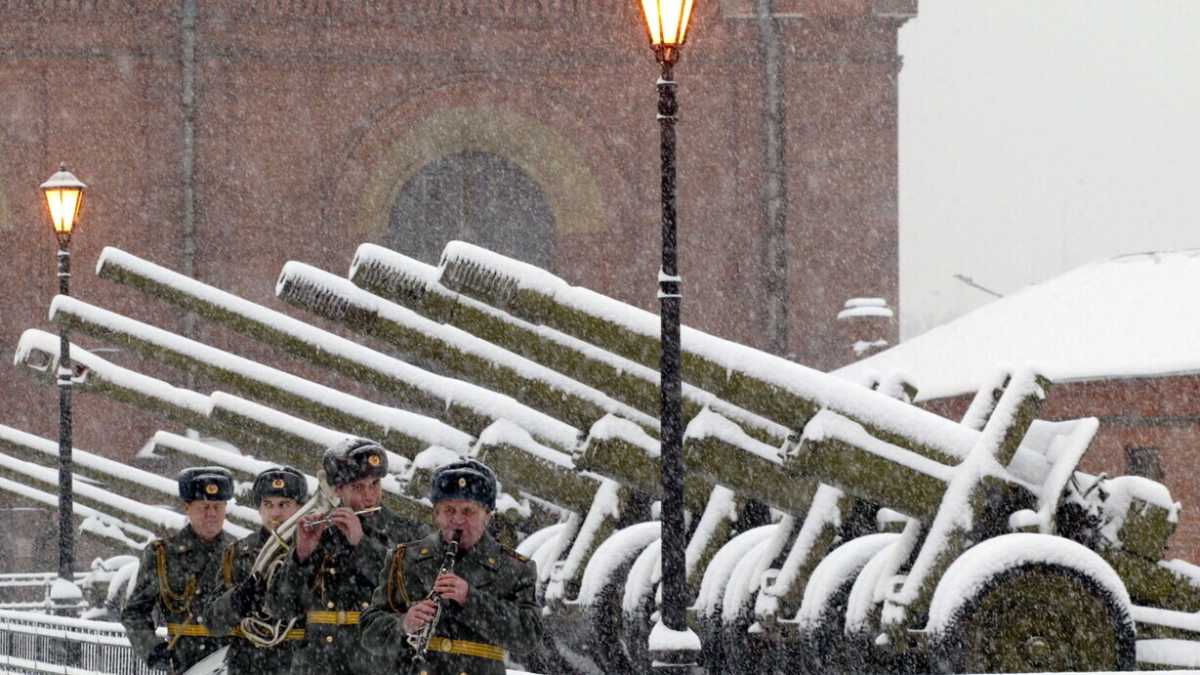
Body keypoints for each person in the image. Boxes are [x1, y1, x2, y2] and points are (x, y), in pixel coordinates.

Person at [360, 459, 542, 675]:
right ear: (436, 513)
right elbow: (369, 632)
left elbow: (527, 637)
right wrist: (403, 624)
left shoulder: (515, 568)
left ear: (488, 516)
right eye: (448, 510)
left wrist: (470, 599)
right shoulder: (404, 558)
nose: (457, 520)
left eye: (468, 511)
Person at [263, 437, 426, 675]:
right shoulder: (320, 532)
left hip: (380, 663)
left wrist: (363, 546)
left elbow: (413, 593)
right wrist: (301, 555)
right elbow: (280, 607)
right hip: (318, 663)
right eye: (358, 487)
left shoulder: (407, 533)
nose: (369, 496)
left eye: (375, 484)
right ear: (338, 489)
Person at [121, 466, 235, 673]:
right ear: (187, 508)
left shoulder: (242, 553)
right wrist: (152, 649)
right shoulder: (162, 554)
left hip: (231, 662)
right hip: (185, 663)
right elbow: (134, 613)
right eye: (204, 507)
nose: (212, 514)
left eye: (218, 507)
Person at [202, 465, 308, 674]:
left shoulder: (317, 552)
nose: (275, 513)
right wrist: (238, 599)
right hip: (249, 665)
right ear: (259, 509)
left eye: (284, 504)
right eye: (268, 504)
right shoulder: (238, 553)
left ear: (300, 508)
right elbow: (212, 622)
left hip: (302, 664)